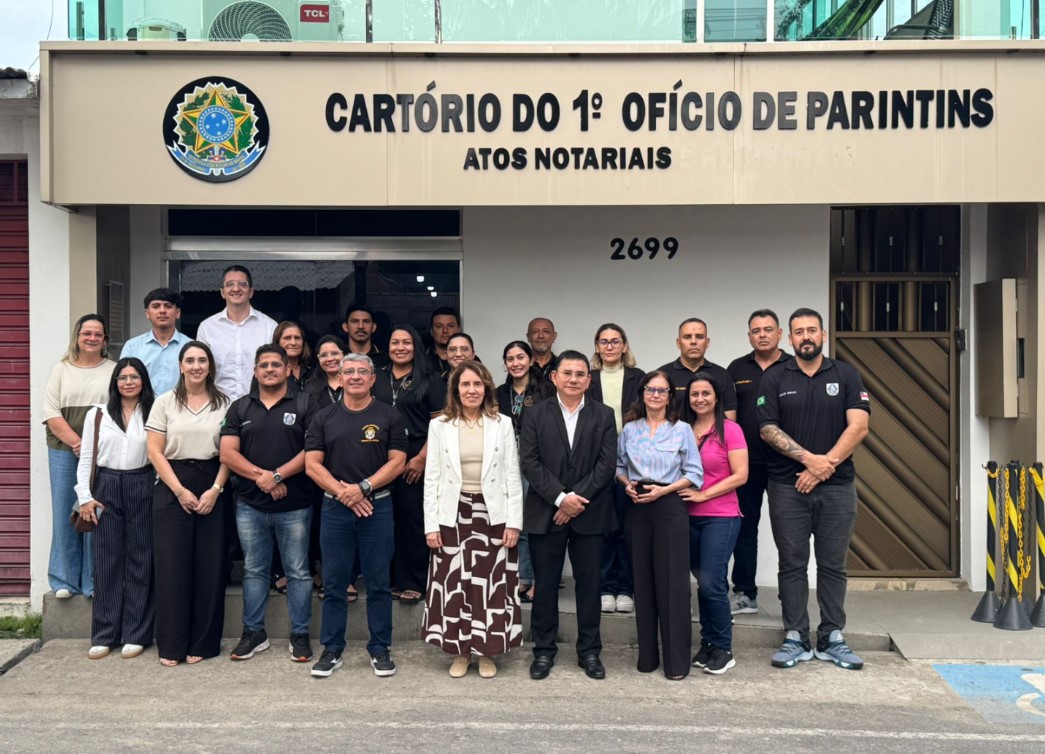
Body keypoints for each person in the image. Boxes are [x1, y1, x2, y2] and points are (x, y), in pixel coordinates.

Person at [758, 308, 870, 671]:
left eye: (811, 330)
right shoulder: (775, 377)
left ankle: (832, 636)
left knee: (833, 565)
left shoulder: (846, 373)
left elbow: (859, 426)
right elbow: (767, 429)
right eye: (798, 331)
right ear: (789, 339)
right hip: (787, 488)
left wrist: (824, 468)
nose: (805, 336)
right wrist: (810, 461)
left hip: (837, 487)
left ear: (823, 334)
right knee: (792, 564)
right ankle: (796, 636)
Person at [305, 353, 407, 678]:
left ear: (372, 378)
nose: (355, 376)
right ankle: (332, 649)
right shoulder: (324, 417)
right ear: (339, 375)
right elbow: (312, 465)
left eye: (362, 371)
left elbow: (398, 462)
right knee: (334, 583)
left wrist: (362, 488)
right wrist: (343, 493)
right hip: (335, 508)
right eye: (349, 371)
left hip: (377, 507)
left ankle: (380, 648)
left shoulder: (389, 415)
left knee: (378, 582)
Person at [423, 361, 524, 678]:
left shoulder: (501, 424)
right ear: (455, 389)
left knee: (490, 586)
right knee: (454, 585)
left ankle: (487, 652)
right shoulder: (440, 425)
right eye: (465, 385)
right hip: (451, 514)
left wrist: (513, 522)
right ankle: (460, 652)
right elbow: (432, 478)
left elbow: (512, 475)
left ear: (486, 389)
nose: (471, 390)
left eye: (477, 385)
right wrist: (431, 525)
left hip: (492, 513)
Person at [519, 351, 617, 681]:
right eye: (568, 373)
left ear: (589, 380)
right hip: (546, 511)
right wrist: (561, 499)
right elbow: (529, 462)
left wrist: (576, 500)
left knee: (589, 585)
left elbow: (606, 465)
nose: (574, 379)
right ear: (554, 377)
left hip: (590, 514)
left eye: (581, 374)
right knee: (544, 585)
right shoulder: (535, 414)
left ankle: (589, 652)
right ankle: (543, 651)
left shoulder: (604, 415)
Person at [220, 344, 318, 664]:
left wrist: (277, 476)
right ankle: (253, 632)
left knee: (299, 572)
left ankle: (300, 634)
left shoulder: (306, 403)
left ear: (288, 369)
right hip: (250, 504)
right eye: (264, 365)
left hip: (295, 506)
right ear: (255, 371)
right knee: (254, 570)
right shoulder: (240, 407)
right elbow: (228, 454)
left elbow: (313, 450)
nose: (270, 370)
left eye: (277, 364)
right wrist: (264, 477)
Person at [146, 341, 231, 667]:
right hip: (172, 483)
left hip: (213, 482)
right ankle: (171, 644)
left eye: (202, 361)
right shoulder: (165, 402)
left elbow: (229, 452)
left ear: (210, 366)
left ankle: (204, 643)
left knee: (209, 567)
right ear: (181, 366)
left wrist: (216, 489)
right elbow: (155, 451)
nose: (196, 366)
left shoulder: (225, 403)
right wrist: (180, 490)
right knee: (172, 567)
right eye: (190, 360)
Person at [616, 370, 702, 681]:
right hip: (637, 505)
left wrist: (663, 491)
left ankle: (676, 663)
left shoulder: (681, 430)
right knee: (642, 580)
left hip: (668, 504)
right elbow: (619, 467)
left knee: (673, 585)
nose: (655, 395)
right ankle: (648, 657)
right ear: (642, 393)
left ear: (669, 397)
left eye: (662, 391)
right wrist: (627, 484)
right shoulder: (629, 429)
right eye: (651, 389)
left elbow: (694, 473)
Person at [75, 357, 156, 660]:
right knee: (106, 559)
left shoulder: (154, 410)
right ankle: (105, 633)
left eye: (135, 377)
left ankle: (136, 632)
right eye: (123, 378)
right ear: (115, 382)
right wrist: (84, 496)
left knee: (141, 558)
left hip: (143, 482)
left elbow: (162, 453)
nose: (129, 382)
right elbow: (86, 458)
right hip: (106, 486)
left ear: (143, 381)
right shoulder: (97, 414)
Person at [42, 314, 117, 600]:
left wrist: (91, 447)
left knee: (93, 511)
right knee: (65, 510)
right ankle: (64, 580)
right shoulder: (61, 370)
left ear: (105, 340)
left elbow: (117, 409)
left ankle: (91, 582)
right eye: (87, 333)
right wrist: (77, 443)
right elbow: (51, 413)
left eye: (98, 334)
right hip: (63, 448)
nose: (92, 338)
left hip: (100, 449)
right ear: (77, 337)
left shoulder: (112, 370)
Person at [372, 325, 447, 605]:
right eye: (394, 342)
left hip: (416, 453)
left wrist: (421, 458)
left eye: (406, 342)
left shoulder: (430, 379)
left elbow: (439, 425)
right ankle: (388, 579)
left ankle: (413, 580)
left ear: (415, 346)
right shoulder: (376, 376)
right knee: (383, 519)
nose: (400, 347)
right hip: (378, 453)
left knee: (412, 519)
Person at [679, 372, 747, 675]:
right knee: (703, 582)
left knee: (711, 582)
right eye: (694, 394)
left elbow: (740, 475)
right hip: (686, 517)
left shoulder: (730, 430)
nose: (700, 399)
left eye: (706, 393)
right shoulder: (682, 430)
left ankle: (723, 647)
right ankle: (707, 643)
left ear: (716, 397)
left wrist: (703, 493)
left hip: (721, 515)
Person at [725, 309, 791, 616]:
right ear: (749, 335)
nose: (762, 334)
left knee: (789, 531)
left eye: (768, 329)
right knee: (744, 529)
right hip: (746, 465)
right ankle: (745, 594)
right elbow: (728, 416)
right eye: (756, 330)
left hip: (786, 465)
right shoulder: (737, 368)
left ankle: (791, 595)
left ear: (780, 334)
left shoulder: (795, 366)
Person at [587, 323, 644, 615]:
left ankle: (626, 587)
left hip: (631, 464)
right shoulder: (587, 378)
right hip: (597, 462)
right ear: (597, 346)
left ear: (624, 345)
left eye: (615, 341)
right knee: (603, 528)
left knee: (627, 528)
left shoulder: (639, 378)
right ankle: (606, 587)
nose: (609, 346)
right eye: (604, 341)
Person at [495, 340, 552, 604]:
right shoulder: (497, 393)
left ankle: (538, 581)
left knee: (535, 524)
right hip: (505, 463)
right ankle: (521, 578)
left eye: (520, 357)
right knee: (512, 521)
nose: (516, 363)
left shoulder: (545, 391)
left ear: (530, 359)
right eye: (510, 359)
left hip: (536, 462)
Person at [303, 335, 349, 598]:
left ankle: (350, 578)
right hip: (320, 469)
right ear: (317, 360)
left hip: (355, 465)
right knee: (323, 526)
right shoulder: (310, 390)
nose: (330, 358)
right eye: (324, 355)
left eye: (335, 353)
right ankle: (325, 575)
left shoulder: (358, 380)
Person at [196, 265, 277, 402]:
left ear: (251, 292)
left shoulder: (270, 326)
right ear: (222, 292)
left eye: (242, 284)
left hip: (260, 405)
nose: (236, 289)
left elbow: (276, 369)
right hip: (218, 406)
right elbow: (201, 370)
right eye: (230, 285)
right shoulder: (207, 327)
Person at [657, 318, 737, 420]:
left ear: (707, 342)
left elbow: (730, 419)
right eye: (687, 337)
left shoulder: (722, 374)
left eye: (699, 337)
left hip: (713, 436)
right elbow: (654, 416)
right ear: (678, 343)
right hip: (672, 436)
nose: (693, 342)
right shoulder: (663, 375)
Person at [120, 288, 190, 394]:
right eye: (156, 306)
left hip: (180, 407)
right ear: (147, 313)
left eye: (168, 306)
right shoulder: (132, 347)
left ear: (177, 313)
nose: (162, 311)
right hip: (142, 408)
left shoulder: (190, 346)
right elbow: (123, 381)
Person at [341, 304, 389, 370]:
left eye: (366, 321)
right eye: (355, 321)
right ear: (345, 327)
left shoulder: (386, 359)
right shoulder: (338, 357)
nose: (360, 326)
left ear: (373, 327)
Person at [427, 306, 461, 379]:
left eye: (450, 326)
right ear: (431, 331)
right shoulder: (421, 358)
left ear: (458, 329)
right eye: (439, 326)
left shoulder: (469, 358)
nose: (445, 331)